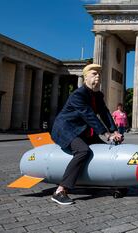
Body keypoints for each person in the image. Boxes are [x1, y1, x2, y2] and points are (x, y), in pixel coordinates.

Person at [50, 64, 122, 205]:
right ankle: (60, 190)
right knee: (83, 151)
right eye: (94, 73)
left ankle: (111, 183)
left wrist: (115, 130)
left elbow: (105, 113)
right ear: (85, 77)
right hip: (66, 129)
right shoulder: (78, 94)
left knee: (105, 151)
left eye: (99, 74)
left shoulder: (98, 95)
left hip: (82, 130)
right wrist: (106, 133)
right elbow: (88, 115)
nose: (98, 76)